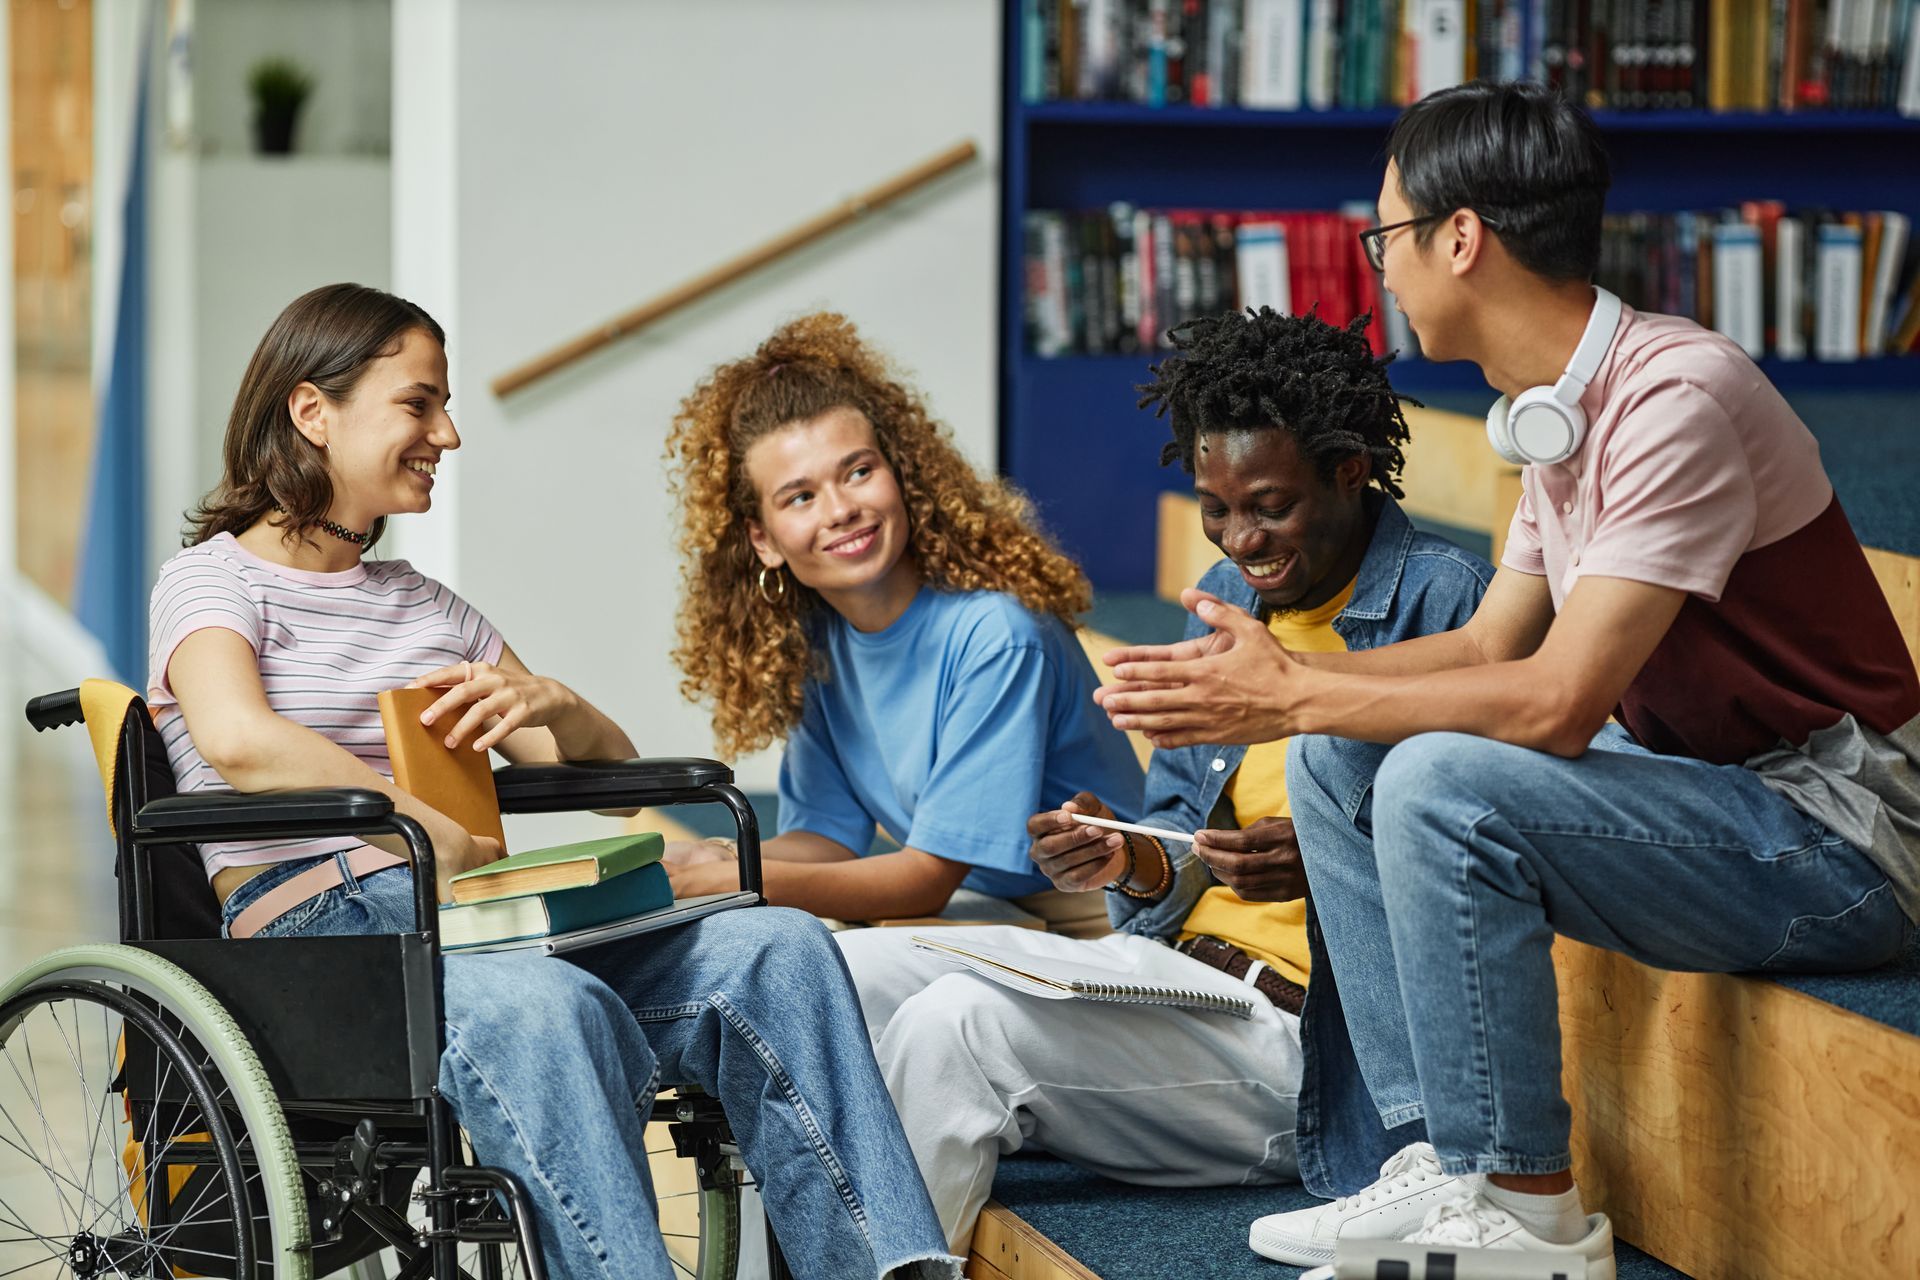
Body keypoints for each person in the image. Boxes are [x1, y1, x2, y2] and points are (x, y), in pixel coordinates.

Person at [1095, 82, 1918, 1277]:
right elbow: (1490, 644)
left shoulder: (1675, 399)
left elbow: (1554, 699)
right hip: (1702, 783)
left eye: (1387, 236)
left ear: (1461, 238)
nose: (1380, 267)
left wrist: (1293, 692)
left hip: (1837, 832)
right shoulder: (1556, 407)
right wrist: (1292, 684)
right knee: (1342, 757)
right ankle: (1436, 1156)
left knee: (1436, 781)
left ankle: (1530, 1211)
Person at [149, 283, 959, 1280]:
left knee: (777, 948)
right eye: (419, 402)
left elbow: (604, 777)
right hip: (319, 943)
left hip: (476, 923)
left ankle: (886, 1267)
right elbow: (239, 738)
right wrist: (412, 819)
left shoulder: (427, 606)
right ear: (313, 411)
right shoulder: (212, 580)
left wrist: (552, 704)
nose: (446, 432)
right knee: (548, 1010)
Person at [835, 307, 1492, 1252]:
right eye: (1215, 508)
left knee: (956, 1026)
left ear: (1351, 471)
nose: (1240, 540)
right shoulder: (1225, 604)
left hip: (1304, 1043)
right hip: (1176, 975)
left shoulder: (1452, 607)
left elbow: (1489, 854)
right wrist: (1128, 857)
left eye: (1270, 504)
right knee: (838, 969)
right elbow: (1177, 837)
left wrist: (1320, 861)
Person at [663, 312, 1144, 931]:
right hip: (989, 906)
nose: (841, 510)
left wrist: (742, 877)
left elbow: (922, 882)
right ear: (763, 539)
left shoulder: (997, 634)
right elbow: (824, 839)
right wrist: (713, 858)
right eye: (800, 497)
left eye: (859, 471)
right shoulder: (817, 642)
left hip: (1101, 915)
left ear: (901, 475)